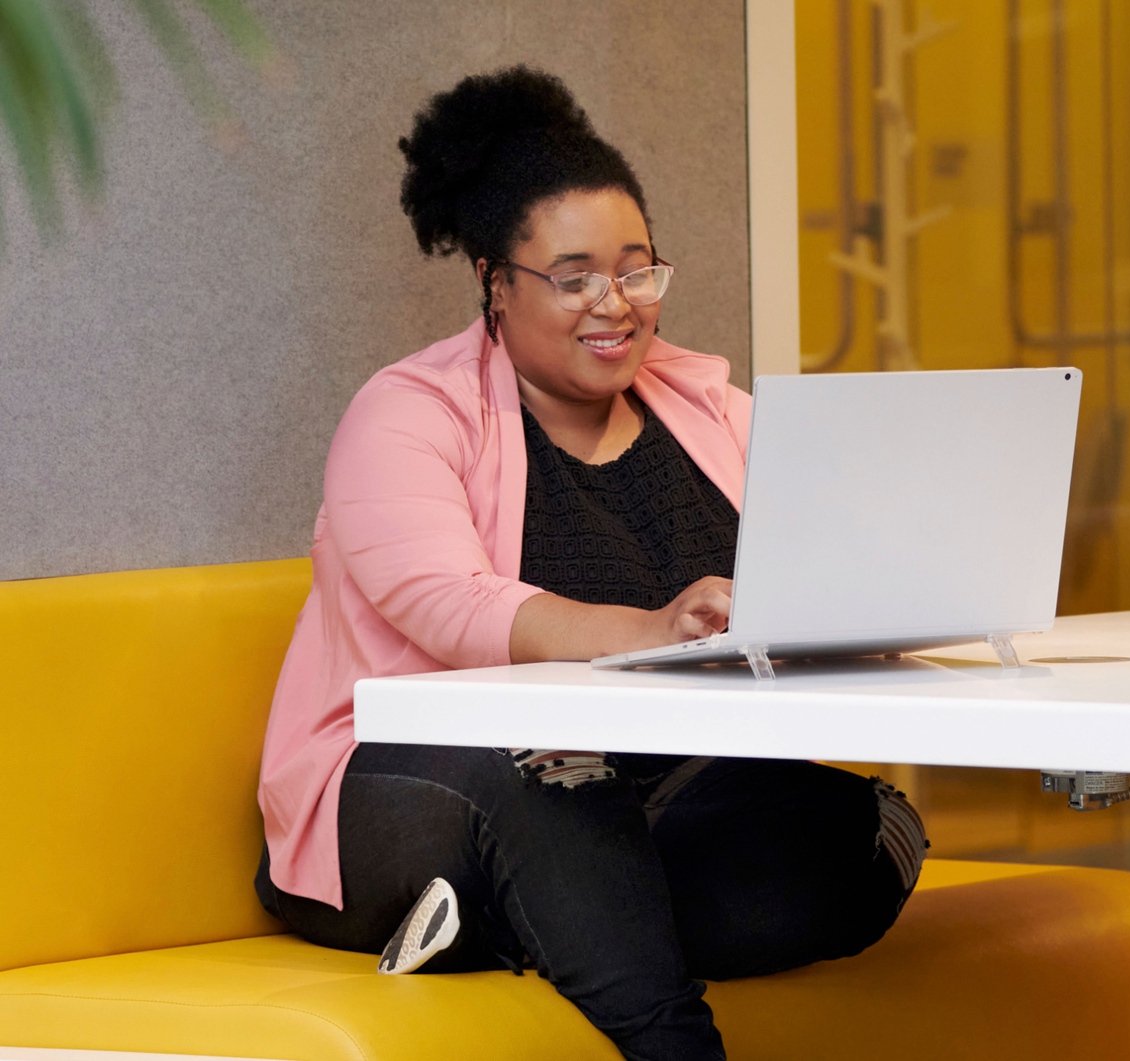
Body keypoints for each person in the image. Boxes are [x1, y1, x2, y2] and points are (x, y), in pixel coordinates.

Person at [252, 66, 927, 1061]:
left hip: (649, 799)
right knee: (550, 781)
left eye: (637, 267)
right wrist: (654, 631)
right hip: (409, 791)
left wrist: (859, 609)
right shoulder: (407, 412)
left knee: (862, 829)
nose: (616, 303)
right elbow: (449, 604)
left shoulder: (711, 411)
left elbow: (815, 564)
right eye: (573, 277)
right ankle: (671, 1043)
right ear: (493, 281)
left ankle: (490, 922)